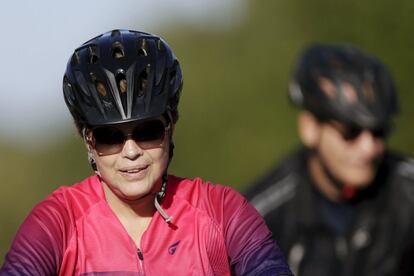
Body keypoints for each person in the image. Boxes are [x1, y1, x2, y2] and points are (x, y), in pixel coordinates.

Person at [0, 29, 292, 276]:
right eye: (109, 137)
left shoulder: (222, 211)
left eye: (147, 131)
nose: (131, 151)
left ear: (170, 126)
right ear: (87, 140)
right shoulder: (57, 221)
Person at [244, 44, 414, 276]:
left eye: (379, 132)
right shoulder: (260, 218)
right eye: (350, 132)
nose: (368, 148)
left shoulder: (406, 190)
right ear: (310, 128)